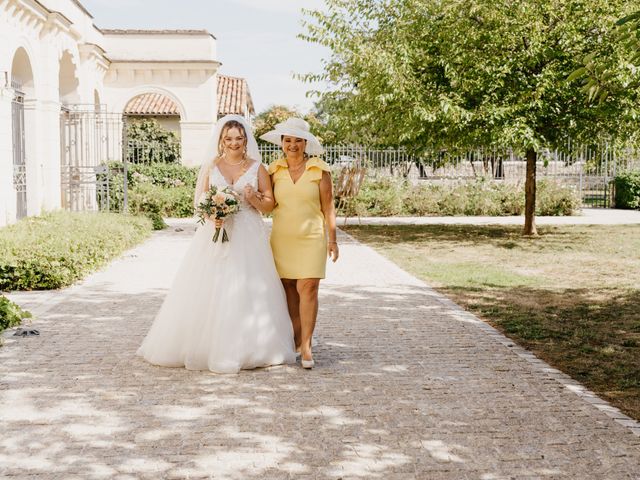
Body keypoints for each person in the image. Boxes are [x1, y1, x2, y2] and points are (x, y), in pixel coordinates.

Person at [137, 115, 296, 374]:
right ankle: (205, 346)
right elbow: (200, 200)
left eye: (238, 138)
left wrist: (253, 197)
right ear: (221, 141)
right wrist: (214, 214)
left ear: (246, 140)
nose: (234, 143)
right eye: (228, 138)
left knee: (248, 286)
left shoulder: (258, 168)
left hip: (247, 234)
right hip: (216, 233)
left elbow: (269, 205)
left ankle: (253, 346)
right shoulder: (212, 166)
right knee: (210, 286)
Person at [260, 117, 339, 369]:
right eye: (288, 140)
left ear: (306, 143)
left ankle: (306, 344)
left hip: (311, 237)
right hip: (282, 238)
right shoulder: (274, 170)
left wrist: (333, 239)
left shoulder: (319, 170)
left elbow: (328, 207)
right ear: (282, 143)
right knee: (289, 292)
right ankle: (293, 341)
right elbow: (268, 204)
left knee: (308, 288)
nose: (292, 145)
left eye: (297, 140)